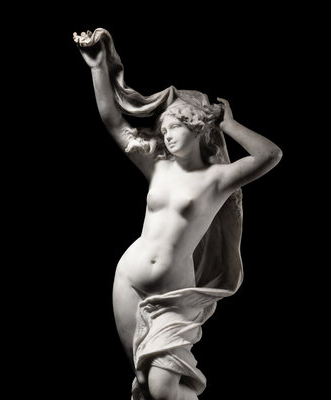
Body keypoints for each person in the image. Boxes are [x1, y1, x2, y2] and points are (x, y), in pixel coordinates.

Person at [74, 28, 282, 400]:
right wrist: (97, 67)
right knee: (144, 383)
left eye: (176, 126)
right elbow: (112, 119)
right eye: (164, 128)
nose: (167, 134)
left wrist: (229, 125)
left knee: (162, 389)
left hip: (173, 292)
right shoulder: (157, 165)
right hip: (129, 279)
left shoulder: (218, 179)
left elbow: (269, 155)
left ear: (198, 128)